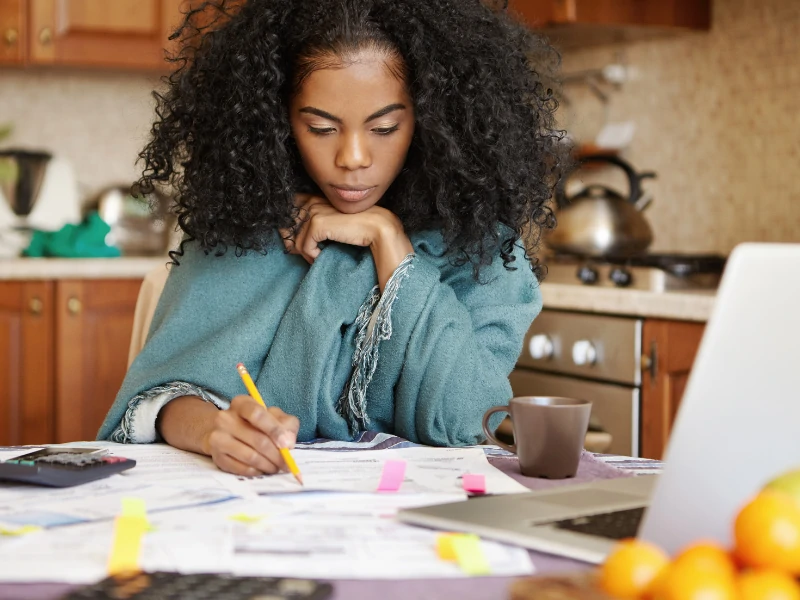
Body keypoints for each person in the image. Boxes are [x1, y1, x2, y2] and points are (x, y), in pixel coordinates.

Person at [98, 0, 563, 476]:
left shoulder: (479, 251)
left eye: (384, 128)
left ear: (430, 119)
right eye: (320, 128)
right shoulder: (241, 231)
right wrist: (216, 431)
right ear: (279, 122)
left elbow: (467, 422)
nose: (353, 157)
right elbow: (161, 398)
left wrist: (390, 245)